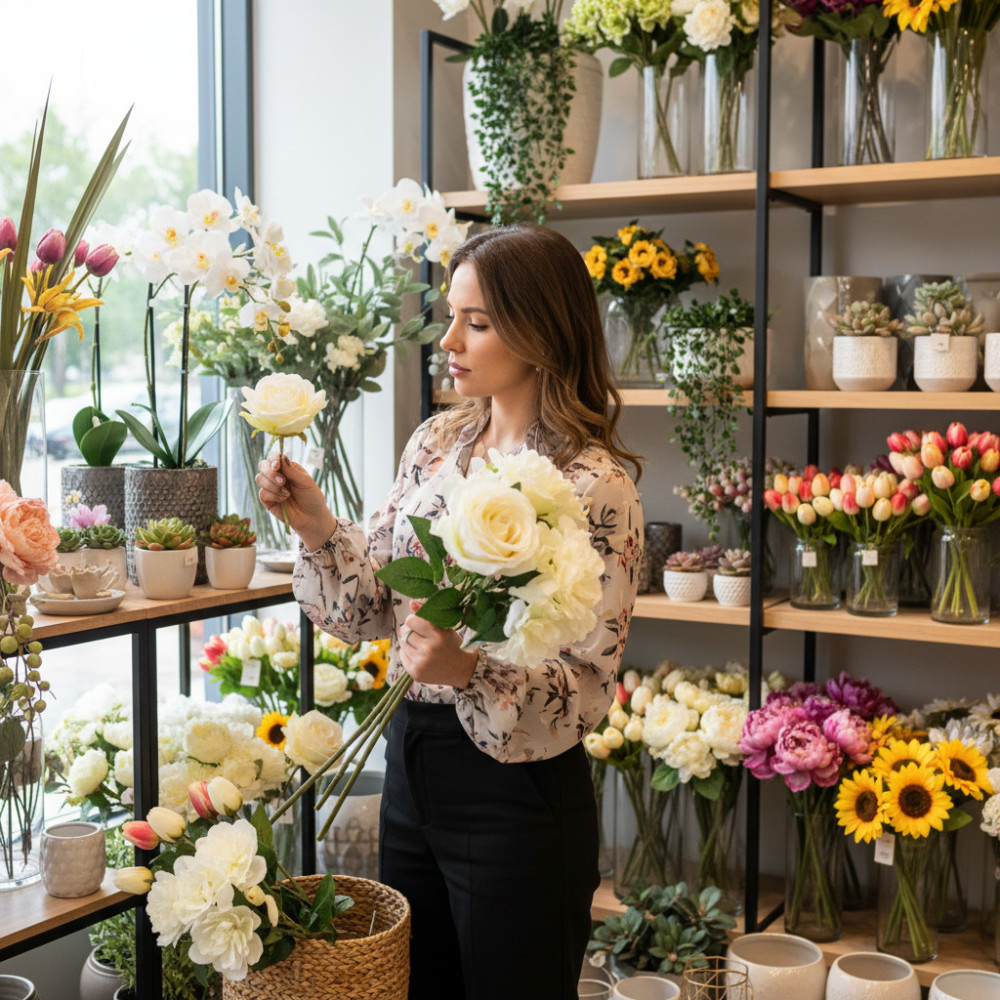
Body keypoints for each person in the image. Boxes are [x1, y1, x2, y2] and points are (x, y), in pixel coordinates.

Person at [255, 225, 643, 1000]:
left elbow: (589, 685)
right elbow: (375, 611)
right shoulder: (436, 442)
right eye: (451, 315)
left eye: (479, 321)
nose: (451, 341)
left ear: (540, 330)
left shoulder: (595, 483)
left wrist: (470, 669)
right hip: (413, 765)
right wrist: (318, 528)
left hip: (519, 791)